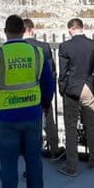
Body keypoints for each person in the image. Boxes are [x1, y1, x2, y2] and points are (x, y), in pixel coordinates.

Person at [0, 15, 54, 188]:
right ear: (23, 30)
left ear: (5, 31)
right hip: (32, 114)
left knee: (9, 163)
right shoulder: (37, 53)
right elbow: (48, 83)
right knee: (34, 160)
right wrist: (45, 105)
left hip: (5, 117)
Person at [57, 18, 94, 176]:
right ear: (82, 28)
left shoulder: (65, 46)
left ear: (71, 29)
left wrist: (62, 89)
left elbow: (63, 72)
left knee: (70, 127)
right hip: (88, 87)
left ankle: (72, 166)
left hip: (71, 89)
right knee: (91, 125)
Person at [23, 18, 60, 160]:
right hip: (40, 92)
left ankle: (29, 156)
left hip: (22, 94)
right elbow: (51, 72)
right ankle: (55, 151)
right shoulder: (44, 47)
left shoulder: (16, 48)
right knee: (48, 122)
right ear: (32, 30)